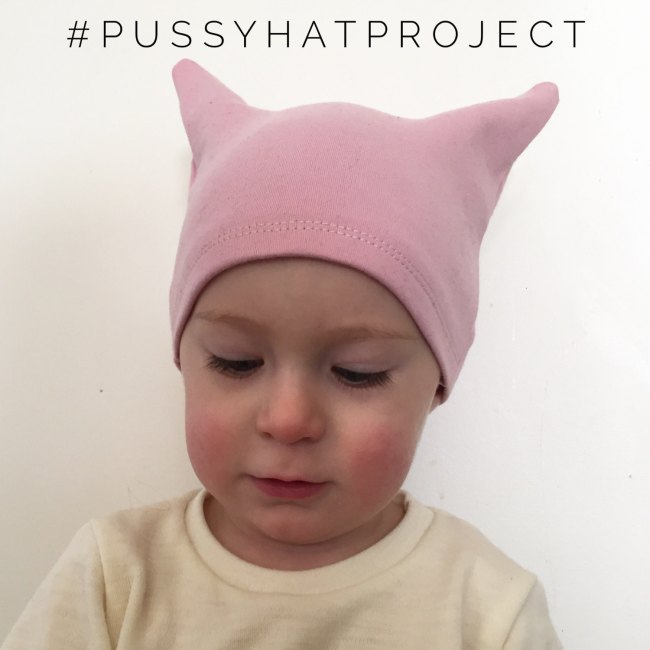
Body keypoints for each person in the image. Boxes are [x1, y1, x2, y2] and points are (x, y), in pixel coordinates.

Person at [2, 59, 563, 648]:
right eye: (235, 361)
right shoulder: (113, 577)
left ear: (438, 384)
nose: (289, 420)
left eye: (358, 372)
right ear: (184, 358)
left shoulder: (488, 610)